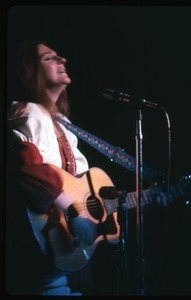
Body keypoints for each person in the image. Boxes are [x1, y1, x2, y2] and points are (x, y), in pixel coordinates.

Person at [6, 40, 100, 296]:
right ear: (31, 72)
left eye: (60, 56)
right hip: (35, 253)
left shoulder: (64, 125)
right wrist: (72, 210)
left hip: (61, 260)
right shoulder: (28, 113)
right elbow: (28, 170)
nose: (62, 61)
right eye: (49, 58)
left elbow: (78, 182)